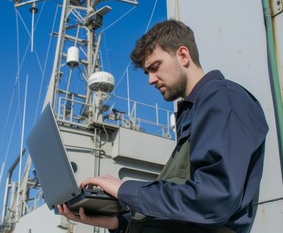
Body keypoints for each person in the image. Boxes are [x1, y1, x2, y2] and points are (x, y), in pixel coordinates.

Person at [58, 19, 268, 233]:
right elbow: (182, 210)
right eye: (147, 72)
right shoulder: (194, 114)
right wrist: (118, 222)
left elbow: (214, 198)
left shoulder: (223, 98)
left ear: (183, 55)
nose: (150, 79)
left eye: (155, 67)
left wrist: (124, 188)